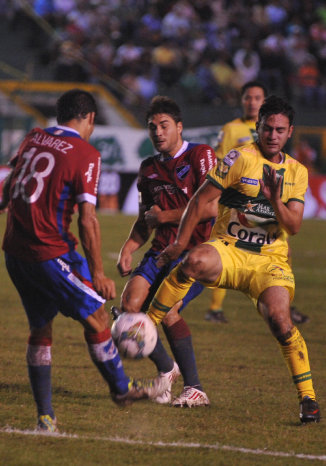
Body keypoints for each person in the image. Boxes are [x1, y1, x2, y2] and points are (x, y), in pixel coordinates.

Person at [1, 89, 168, 432]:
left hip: (15, 251)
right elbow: (88, 219)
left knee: (40, 329)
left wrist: (4, 202)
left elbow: (11, 181)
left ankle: (45, 417)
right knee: (95, 315)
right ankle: (122, 390)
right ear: (90, 118)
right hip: (49, 251)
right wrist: (98, 272)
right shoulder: (85, 152)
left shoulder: (35, 136)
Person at [146, 95, 320, 423]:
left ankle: (308, 399)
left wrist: (273, 199)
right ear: (258, 127)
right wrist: (180, 243)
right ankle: (145, 324)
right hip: (229, 249)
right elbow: (200, 201)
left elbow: (294, 225)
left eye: (280, 130)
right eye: (267, 129)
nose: (272, 135)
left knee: (282, 322)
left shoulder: (296, 172)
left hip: (270, 262)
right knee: (194, 261)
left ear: (290, 132)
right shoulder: (239, 158)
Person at [116, 95, 217, 407]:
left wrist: (167, 217)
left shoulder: (200, 155)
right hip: (161, 251)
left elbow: (212, 206)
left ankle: (195, 387)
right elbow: (146, 220)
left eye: (164, 125)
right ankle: (166, 369)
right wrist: (128, 248)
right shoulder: (148, 169)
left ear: (179, 127)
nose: (158, 132)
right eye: (152, 127)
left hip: (196, 256)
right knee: (128, 309)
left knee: (168, 309)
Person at [207, 80, 309, 325]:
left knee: (282, 250)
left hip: (267, 198)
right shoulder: (231, 130)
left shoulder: (276, 131)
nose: (252, 102)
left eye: (257, 98)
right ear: (242, 101)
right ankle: (215, 307)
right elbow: (221, 164)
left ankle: (283, 304)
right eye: (248, 98)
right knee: (221, 250)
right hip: (236, 201)